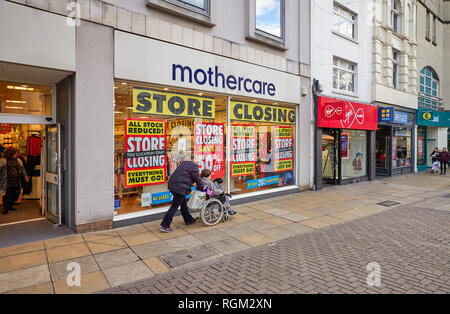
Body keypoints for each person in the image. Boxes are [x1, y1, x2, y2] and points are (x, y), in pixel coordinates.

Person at [160, 154, 205, 233]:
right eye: (197, 159)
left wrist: (191, 182)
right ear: (194, 159)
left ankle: (188, 219)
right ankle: (165, 225)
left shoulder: (184, 163)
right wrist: (202, 187)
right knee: (174, 206)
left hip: (173, 185)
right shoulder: (194, 166)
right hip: (179, 188)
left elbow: (184, 176)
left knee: (183, 203)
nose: (198, 161)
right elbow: (197, 178)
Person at [0, 148, 29, 214]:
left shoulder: (18, 160)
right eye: (15, 153)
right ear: (10, 153)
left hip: (15, 181)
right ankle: (6, 208)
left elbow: (22, 169)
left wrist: (26, 176)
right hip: (6, 181)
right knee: (6, 195)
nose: (17, 154)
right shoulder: (3, 160)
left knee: (14, 194)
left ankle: (10, 206)